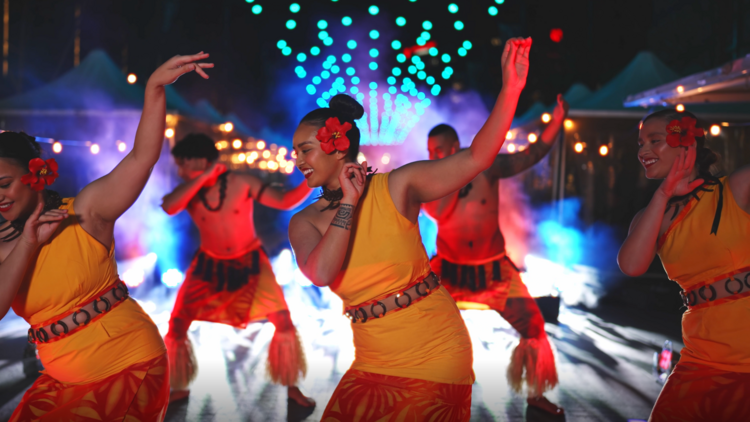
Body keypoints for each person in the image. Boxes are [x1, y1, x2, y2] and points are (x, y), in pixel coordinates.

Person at [288, 37, 531, 421]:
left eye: (304, 149)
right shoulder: (304, 221)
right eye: (296, 151)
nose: (297, 159)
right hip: (371, 360)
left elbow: (478, 157)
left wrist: (510, 90)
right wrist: (348, 203)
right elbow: (320, 272)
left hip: (435, 351)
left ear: (336, 145)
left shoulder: (398, 185)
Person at [0, 52, 213, 421]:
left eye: (3, 184)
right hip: (61, 381)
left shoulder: (85, 211)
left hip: (127, 366)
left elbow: (141, 158)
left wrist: (154, 90)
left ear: (36, 174)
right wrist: (27, 242)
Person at [423, 94, 568, 415]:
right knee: (425, 332)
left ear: (456, 146)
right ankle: (430, 394)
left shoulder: (485, 165)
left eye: (440, 151)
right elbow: (439, 213)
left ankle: (536, 394)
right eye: (430, 152)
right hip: (448, 271)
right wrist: (447, 176)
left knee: (534, 327)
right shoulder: (429, 178)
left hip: (494, 270)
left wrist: (556, 122)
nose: (433, 156)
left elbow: (531, 155)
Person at [161, 133, 315, 406]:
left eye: (182, 163)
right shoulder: (188, 191)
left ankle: (292, 388)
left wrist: (313, 179)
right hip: (208, 265)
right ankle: (177, 387)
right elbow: (170, 207)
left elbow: (285, 201)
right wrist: (203, 177)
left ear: (197, 159)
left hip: (251, 262)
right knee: (177, 323)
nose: (179, 170)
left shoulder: (240, 182)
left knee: (282, 321)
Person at [618, 109, 750, 421]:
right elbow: (631, 266)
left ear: (687, 143)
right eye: (640, 143)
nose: (642, 151)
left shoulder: (737, 188)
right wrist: (663, 194)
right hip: (702, 358)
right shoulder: (652, 215)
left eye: (654, 140)